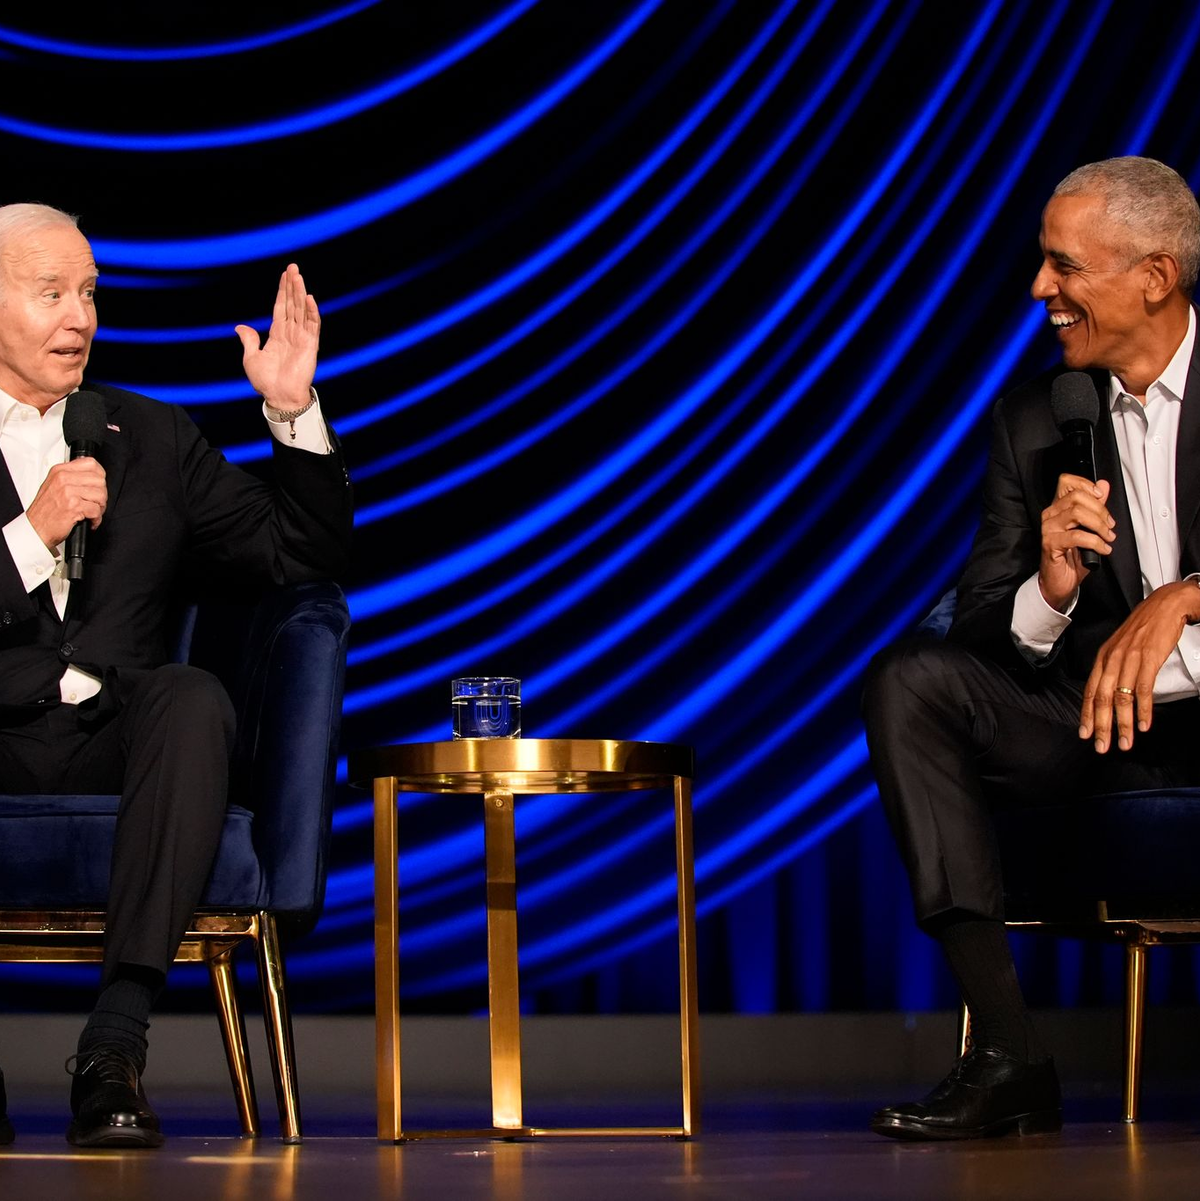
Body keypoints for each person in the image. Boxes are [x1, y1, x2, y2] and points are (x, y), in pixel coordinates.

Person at [0, 203, 352, 1148]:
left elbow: (300, 552)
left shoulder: (150, 435)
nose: (79, 316)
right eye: (50, 293)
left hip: (117, 742)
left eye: (89, 293)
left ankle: (114, 1048)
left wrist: (291, 411)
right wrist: (31, 535)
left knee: (191, 697)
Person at [862, 156, 1200, 1140]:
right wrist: (1048, 589)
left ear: (1155, 276)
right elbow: (978, 620)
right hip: (1091, 721)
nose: (1039, 288)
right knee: (911, 684)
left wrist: (1185, 596)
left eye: (1065, 266)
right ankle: (1008, 1052)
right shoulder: (1037, 419)